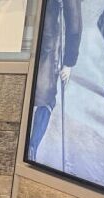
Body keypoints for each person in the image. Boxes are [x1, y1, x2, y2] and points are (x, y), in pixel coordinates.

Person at [27, 0, 82, 162]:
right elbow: (74, 24)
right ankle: (32, 147)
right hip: (47, 42)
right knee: (46, 99)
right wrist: (69, 63)